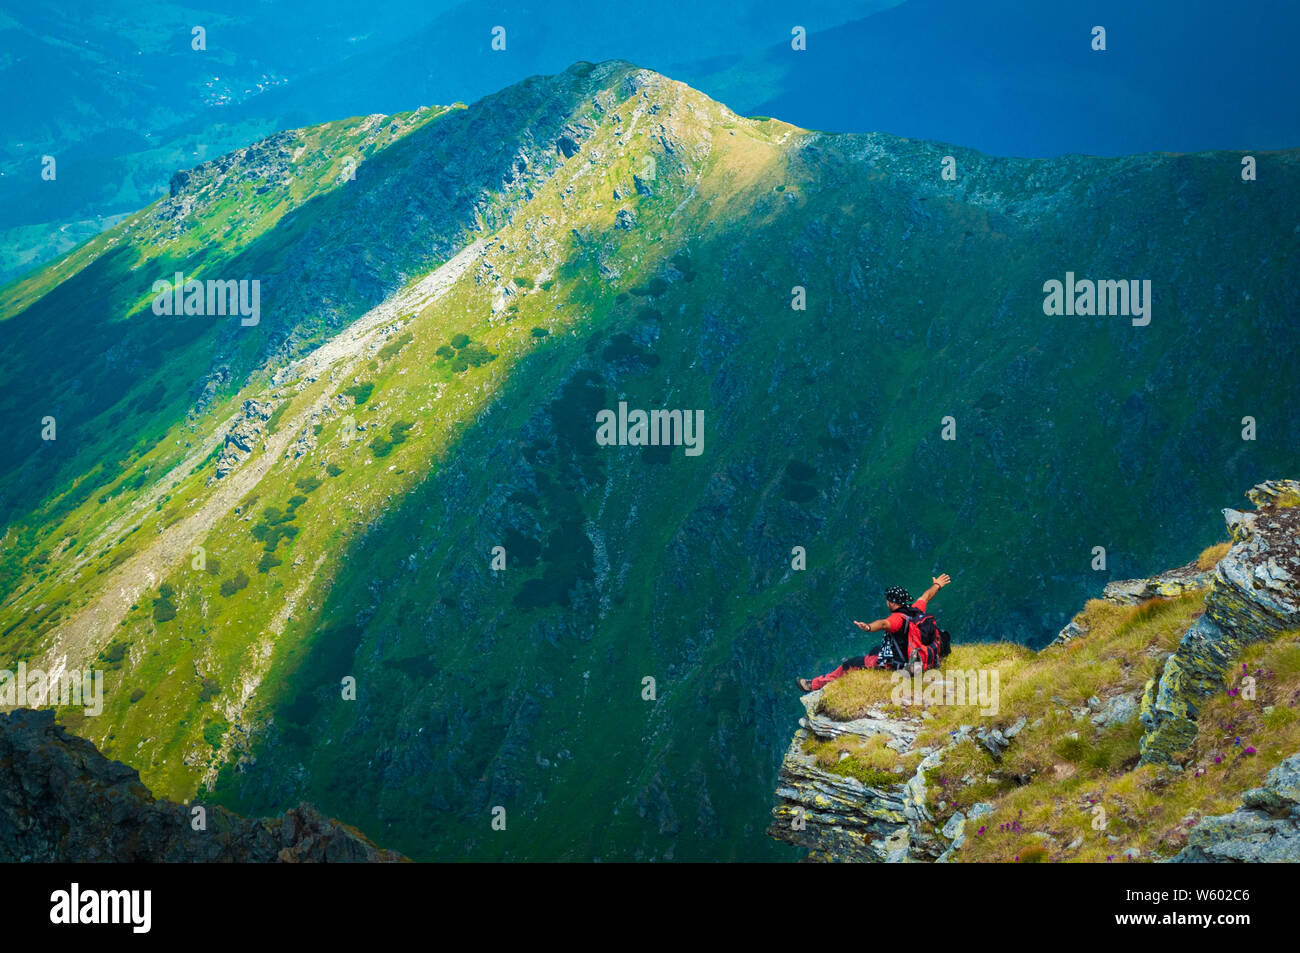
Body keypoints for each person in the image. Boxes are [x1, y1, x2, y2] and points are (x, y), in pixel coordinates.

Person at [796, 573, 952, 692]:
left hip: (899, 664)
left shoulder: (897, 619)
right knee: (875, 650)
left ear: (892, 602)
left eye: (887, 600)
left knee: (850, 664)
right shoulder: (916, 610)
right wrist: (937, 584)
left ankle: (813, 685)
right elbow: (926, 596)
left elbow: (884, 623)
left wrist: (868, 627)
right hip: (914, 654)